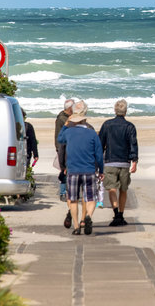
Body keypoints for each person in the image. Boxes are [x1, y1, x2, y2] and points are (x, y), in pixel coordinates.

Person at [57, 100, 104, 236]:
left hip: (73, 170)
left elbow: (60, 140)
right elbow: (99, 154)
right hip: (89, 170)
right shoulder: (92, 133)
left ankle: (76, 227)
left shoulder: (68, 133)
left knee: (72, 199)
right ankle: (88, 216)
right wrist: (101, 170)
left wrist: (65, 125)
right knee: (90, 198)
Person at [98, 98, 139, 227]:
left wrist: (98, 161)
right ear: (125, 111)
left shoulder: (107, 125)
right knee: (123, 189)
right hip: (124, 162)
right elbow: (133, 145)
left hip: (110, 161)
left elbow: (100, 144)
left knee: (111, 189)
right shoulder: (130, 126)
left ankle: (116, 214)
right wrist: (134, 161)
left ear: (115, 110)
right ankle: (120, 214)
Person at [55, 98, 74, 219]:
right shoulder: (63, 119)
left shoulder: (63, 117)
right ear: (69, 108)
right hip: (63, 146)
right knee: (64, 170)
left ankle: (66, 192)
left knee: (65, 170)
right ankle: (63, 192)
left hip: (63, 146)